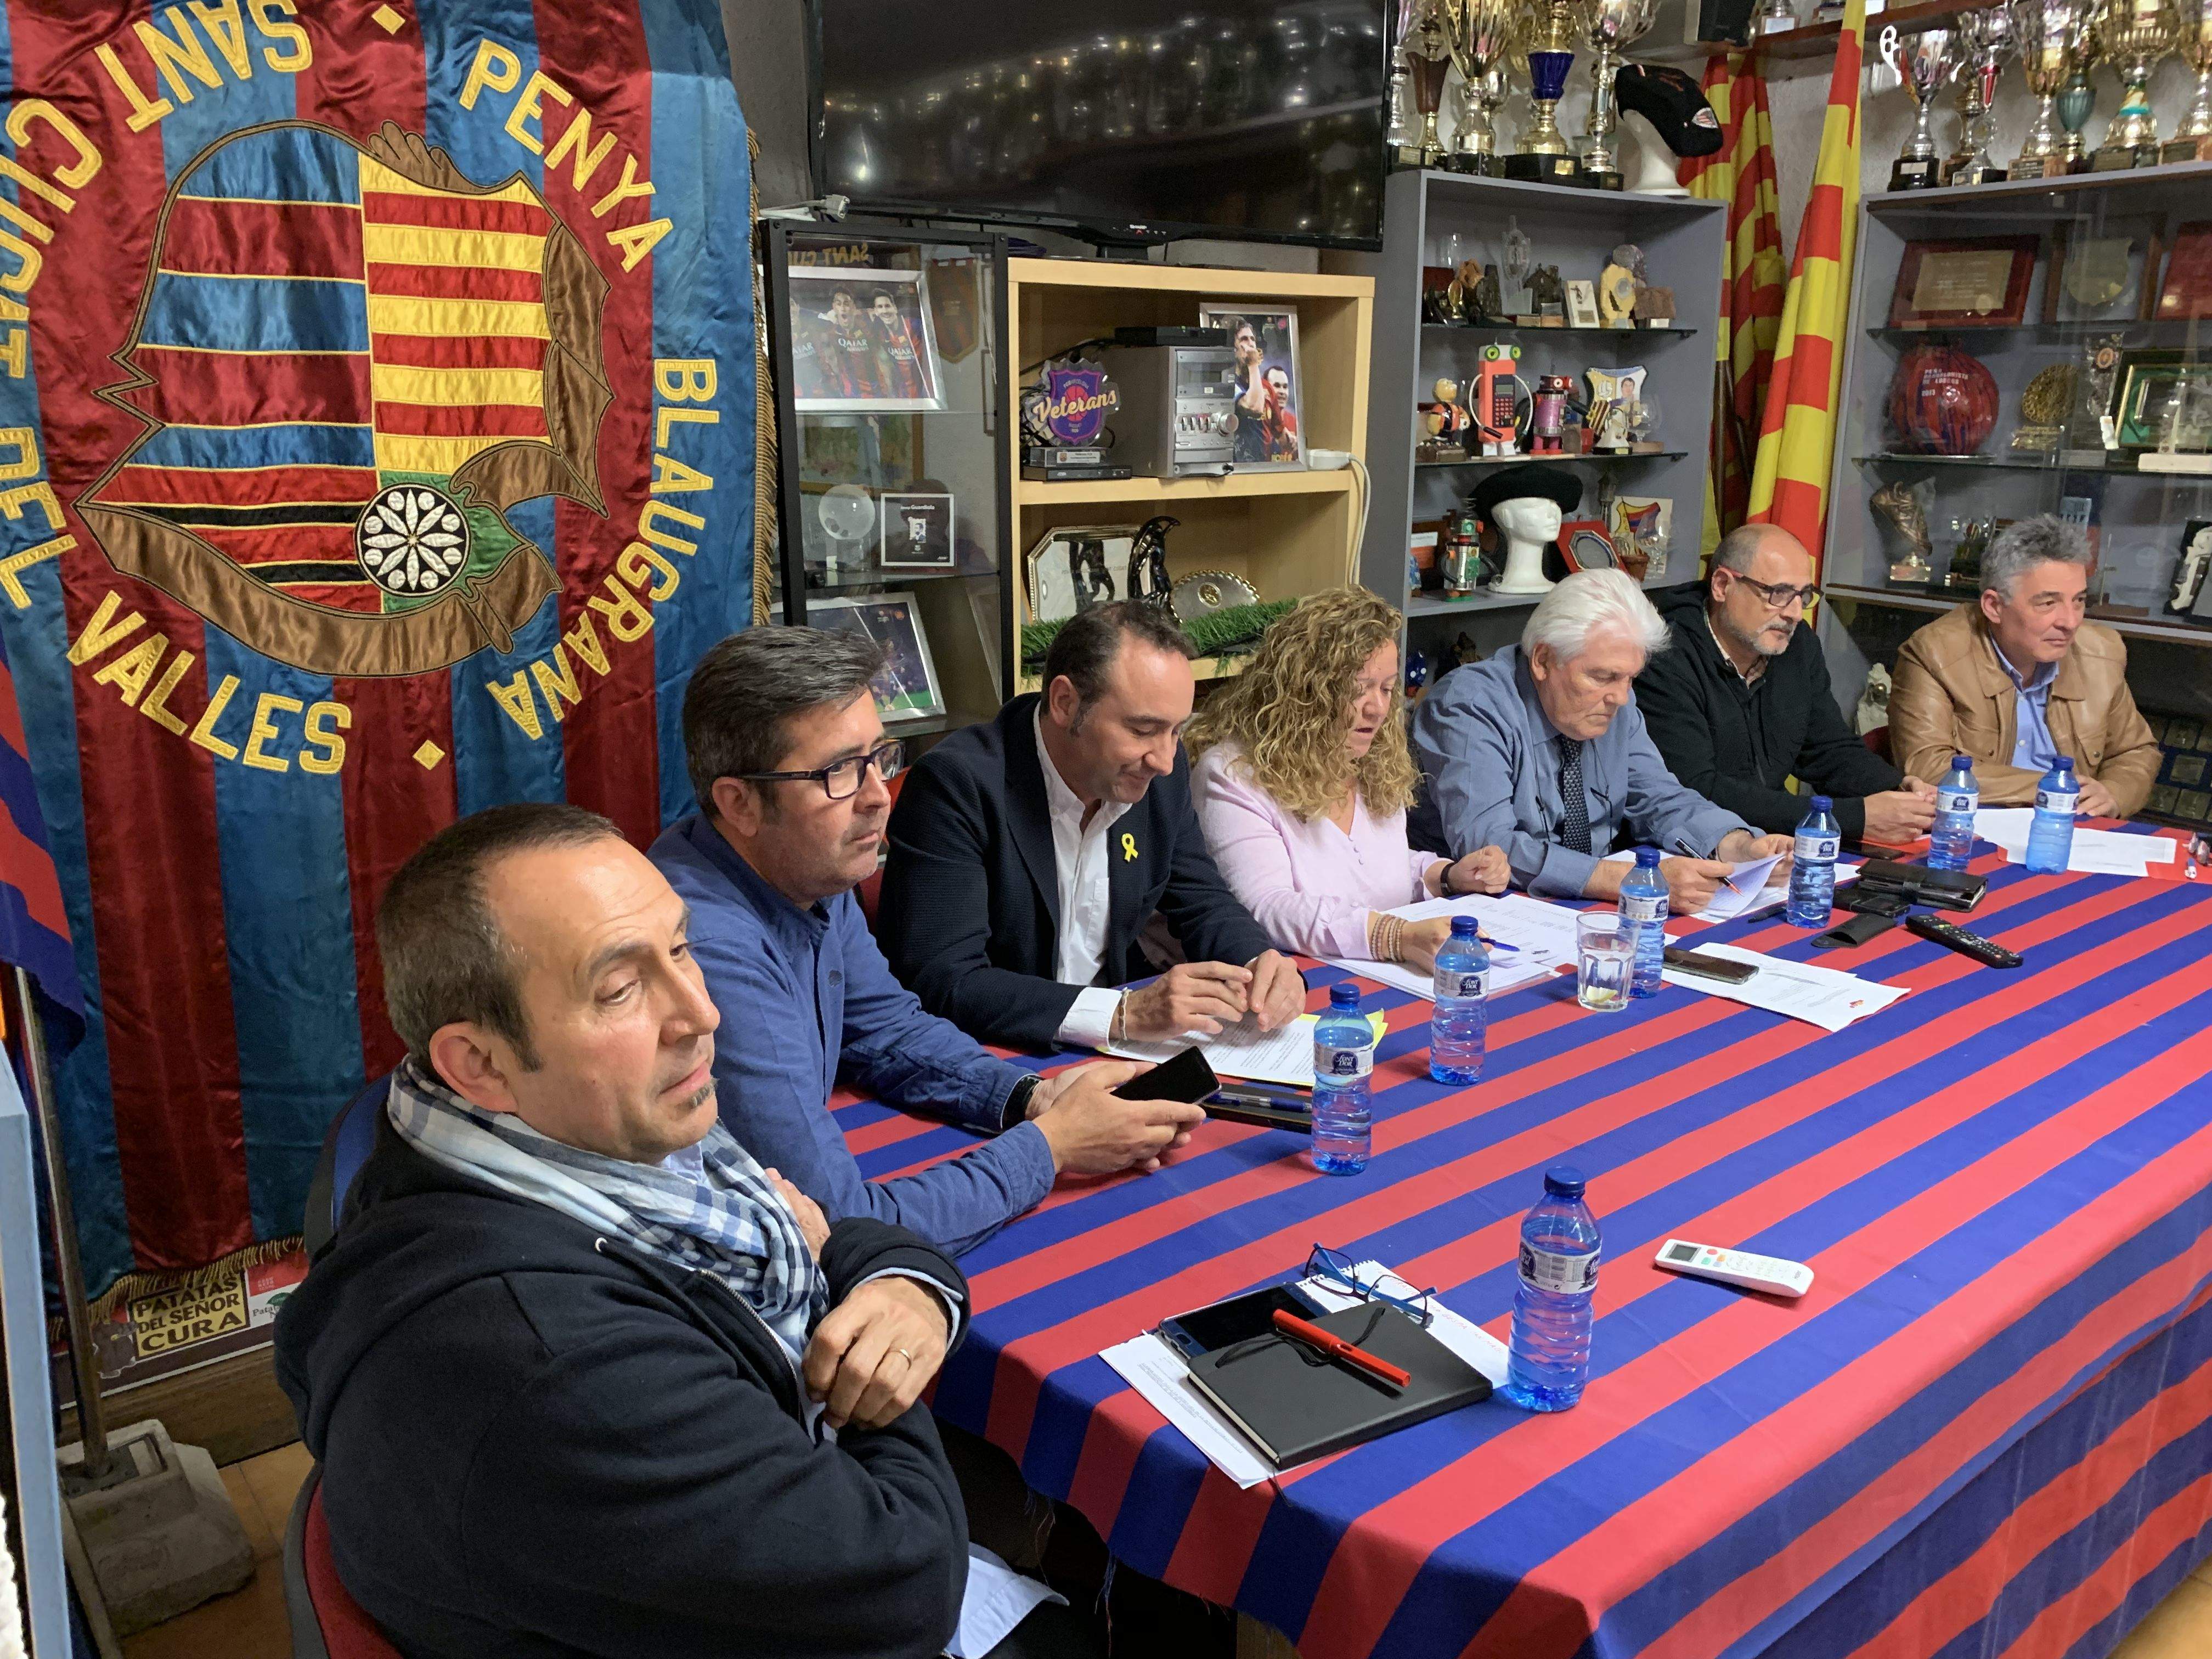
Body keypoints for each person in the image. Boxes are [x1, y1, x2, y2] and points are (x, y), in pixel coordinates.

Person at [275, 803, 1094, 1659]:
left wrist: (896, 1282)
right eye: (619, 989)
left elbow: (828, 1232)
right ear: (478, 1063)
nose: (701, 1012)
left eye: (680, 948)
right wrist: (864, 1328)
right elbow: (909, 1587)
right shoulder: (556, 1368)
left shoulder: (530, 1129)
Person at [651, 628, 1200, 1257]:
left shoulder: (805, 865)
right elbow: (844, 1227)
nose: (877, 797)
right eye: (839, 772)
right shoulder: (708, 953)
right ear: (740, 804)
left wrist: (1032, 1097)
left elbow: (886, 1031)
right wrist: (1052, 1147)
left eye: (878, 758)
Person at [878, 602, 1305, 1053]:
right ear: (1065, 703)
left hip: (1112, 1051)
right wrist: (1124, 1014)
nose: (1164, 759)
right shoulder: (956, 784)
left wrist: (1259, 962)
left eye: (1176, 731)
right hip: (994, 1053)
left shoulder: (1158, 774)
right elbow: (945, 980)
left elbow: (1203, 899)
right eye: (1143, 730)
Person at [1408, 569, 1795, 911]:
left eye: (1630, 678)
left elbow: (1660, 797)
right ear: (1542, 660)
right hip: (1470, 915)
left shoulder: (1615, 702)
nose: (1621, 698)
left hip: (1581, 910)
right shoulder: (1469, 705)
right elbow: (1489, 848)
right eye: (1603, 677)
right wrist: (1632, 880)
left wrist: (1738, 846)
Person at [1184, 588, 1509, 974]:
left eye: (1387, 689)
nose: (1378, 708)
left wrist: (1447, 877)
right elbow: (1265, 907)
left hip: (1379, 975)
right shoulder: (1232, 772)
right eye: (1358, 690)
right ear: (1305, 691)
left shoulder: (1372, 757)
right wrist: (1396, 937)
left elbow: (1367, 869)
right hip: (1292, 982)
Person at [1637, 523, 1937, 846]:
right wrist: (1849, 818)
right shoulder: (1662, 652)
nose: (1795, 613)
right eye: (1778, 593)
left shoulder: (1797, 645)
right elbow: (1695, 789)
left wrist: (1897, 789)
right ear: (1723, 586)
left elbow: (1827, 749)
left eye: (1803, 595)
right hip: (1688, 846)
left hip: (1773, 842)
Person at [1889, 514, 2160, 816]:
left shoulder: (2101, 653)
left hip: (2071, 827)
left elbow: (2135, 751)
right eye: (2048, 603)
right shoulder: (1934, 654)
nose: (2070, 622)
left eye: (2079, 601)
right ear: (1994, 607)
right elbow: (1928, 766)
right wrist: (2056, 789)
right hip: (1970, 823)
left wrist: (2112, 794)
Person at [1226, 317, 1272, 466]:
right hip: (1238, 467)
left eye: (1253, 339)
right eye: (1244, 339)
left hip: (1260, 465)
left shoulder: (1258, 383)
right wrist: (1253, 364)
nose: (1251, 344)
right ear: (1233, 349)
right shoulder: (1229, 382)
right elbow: (1255, 407)